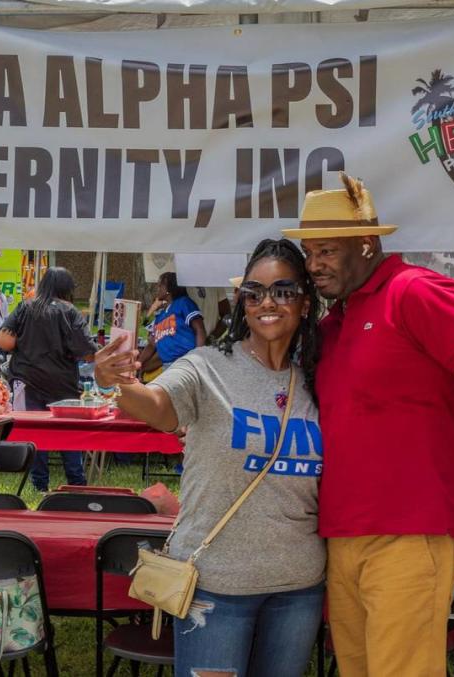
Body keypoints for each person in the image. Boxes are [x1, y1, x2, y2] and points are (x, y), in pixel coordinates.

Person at [287, 173, 454, 677]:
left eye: (326, 250)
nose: (314, 265)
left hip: (410, 533)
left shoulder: (414, 291)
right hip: (341, 533)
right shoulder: (335, 321)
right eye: (309, 253)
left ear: (367, 244)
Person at [94, 239, 324, 676]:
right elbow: (160, 408)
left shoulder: (317, 378)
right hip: (215, 587)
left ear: (306, 303)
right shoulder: (207, 366)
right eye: (253, 293)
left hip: (299, 588)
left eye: (283, 291)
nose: (266, 303)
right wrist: (121, 383)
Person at [0, 267, 96, 491]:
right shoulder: (70, 312)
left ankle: (39, 485)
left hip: (27, 381)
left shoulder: (25, 306)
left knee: (34, 433)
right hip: (62, 385)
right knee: (68, 435)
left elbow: (3, 340)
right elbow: (87, 351)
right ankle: (76, 483)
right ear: (67, 288)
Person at [138, 273, 207, 373]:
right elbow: (152, 345)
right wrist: (138, 363)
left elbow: (199, 329)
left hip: (186, 362)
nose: (157, 288)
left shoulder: (184, 303)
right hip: (168, 366)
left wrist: (198, 357)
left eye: (160, 285)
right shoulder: (160, 317)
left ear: (168, 289)